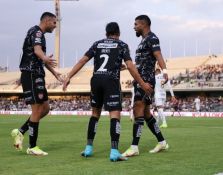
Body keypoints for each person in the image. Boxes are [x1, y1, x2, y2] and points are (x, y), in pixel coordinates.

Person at [62, 22, 152, 161]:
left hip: (96, 80)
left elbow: (82, 60)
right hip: (111, 81)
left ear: (106, 33)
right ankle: (114, 151)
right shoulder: (122, 45)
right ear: (118, 33)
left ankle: (88, 148)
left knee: (95, 114)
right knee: (114, 115)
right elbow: (130, 66)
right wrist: (143, 83)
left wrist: (68, 76)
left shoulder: (97, 44)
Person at [11, 12, 62, 156]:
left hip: (37, 74)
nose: (55, 26)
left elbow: (41, 59)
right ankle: (32, 147)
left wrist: (54, 73)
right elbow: (37, 51)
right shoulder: (36, 32)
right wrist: (45, 57)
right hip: (31, 74)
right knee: (37, 110)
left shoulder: (40, 34)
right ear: (46, 21)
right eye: (54, 23)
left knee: (45, 109)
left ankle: (20, 132)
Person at [122, 15, 169, 157]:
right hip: (140, 79)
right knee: (147, 113)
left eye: (136, 24)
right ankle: (162, 142)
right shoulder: (143, 41)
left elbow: (158, 54)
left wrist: (165, 71)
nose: (134, 27)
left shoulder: (152, 38)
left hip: (146, 80)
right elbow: (142, 62)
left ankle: (134, 146)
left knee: (138, 108)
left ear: (144, 24)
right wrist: (126, 67)